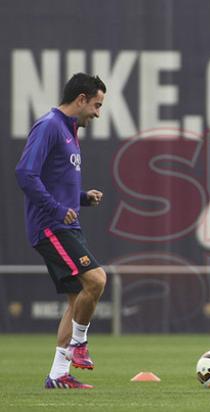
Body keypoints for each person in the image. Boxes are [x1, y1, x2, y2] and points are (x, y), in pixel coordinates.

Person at [15, 73, 107, 389]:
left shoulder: (68, 131)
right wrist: (56, 209)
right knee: (96, 280)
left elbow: (54, 181)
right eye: (96, 105)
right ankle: (79, 345)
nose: (97, 112)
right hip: (51, 225)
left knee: (77, 301)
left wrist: (82, 198)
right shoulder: (50, 126)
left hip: (65, 224)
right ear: (81, 99)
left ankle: (58, 375)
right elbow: (25, 173)